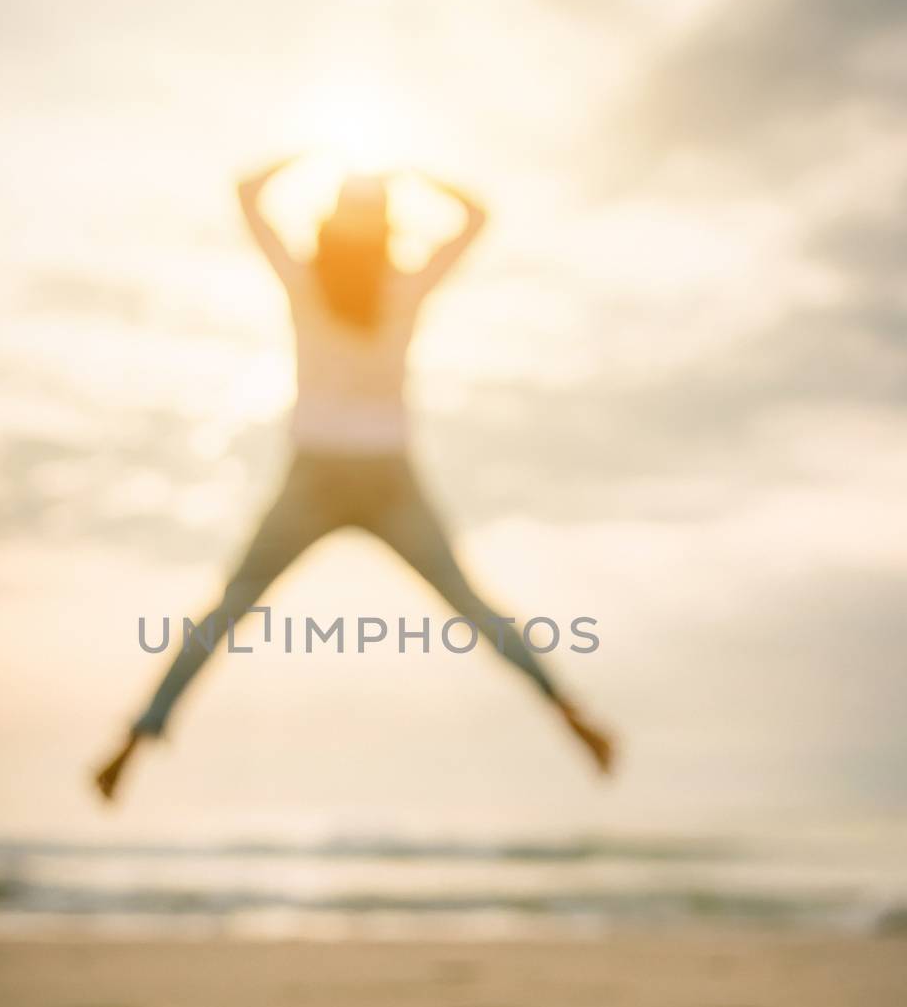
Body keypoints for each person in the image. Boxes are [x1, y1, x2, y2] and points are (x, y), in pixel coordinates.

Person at [94, 157, 616, 800]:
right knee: (470, 604)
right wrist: (416, 172)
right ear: (388, 232)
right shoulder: (403, 288)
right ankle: (567, 711)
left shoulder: (305, 282)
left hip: (314, 472)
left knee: (228, 608)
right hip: (388, 473)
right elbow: (476, 217)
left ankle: (135, 738)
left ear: (327, 228)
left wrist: (305, 157)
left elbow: (247, 193)